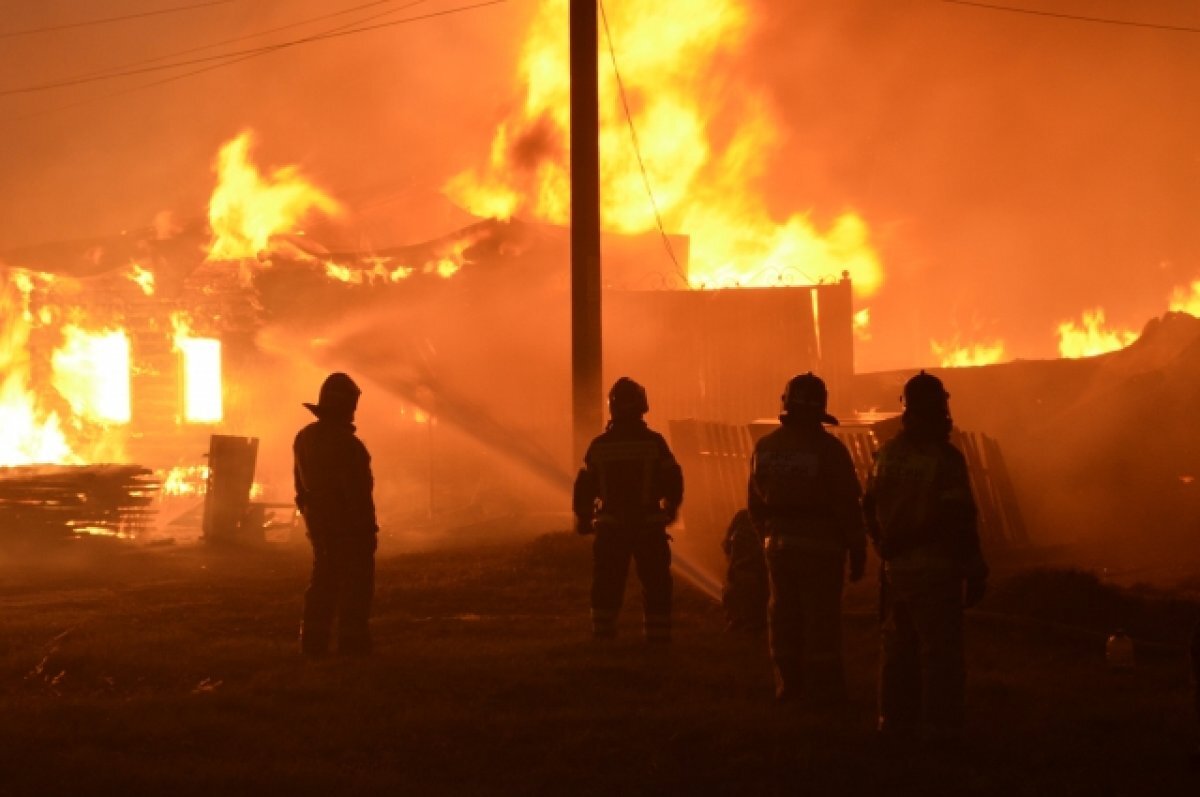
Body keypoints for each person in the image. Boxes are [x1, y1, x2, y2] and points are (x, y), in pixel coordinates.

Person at [863, 370, 988, 739]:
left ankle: (894, 723)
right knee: (941, 653)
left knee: (898, 649)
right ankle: (941, 727)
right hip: (936, 569)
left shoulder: (885, 456)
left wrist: (882, 544)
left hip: (896, 571)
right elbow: (957, 519)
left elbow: (868, 505)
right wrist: (974, 567)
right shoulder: (945, 459)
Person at [747, 373, 866, 705]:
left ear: (786, 405)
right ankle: (824, 691)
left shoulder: (765, 447)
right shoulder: (829, 451)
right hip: (823, 549)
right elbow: (847, 503)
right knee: (821, 619)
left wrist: (767, 538)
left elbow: (755, 504)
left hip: (778, 547)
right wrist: (857, 548)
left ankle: (789, 687)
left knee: (783, 616)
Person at [573, 377, 683, 642]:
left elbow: (585, 485)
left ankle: (603, 635)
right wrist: (671, 508)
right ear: (642, 405)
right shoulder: (655, 443)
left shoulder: (599, 445)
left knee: (607, 582)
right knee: (656, 583)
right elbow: (673, 480)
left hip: (611, 526)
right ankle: (658, 639)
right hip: (648, 525)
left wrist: (584, 518)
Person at [294, 372, 379, 657]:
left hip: (319, 525)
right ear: (345, 406)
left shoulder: (305, 438)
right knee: (356, 584)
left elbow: (300, 487)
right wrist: (367, 530)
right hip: (349, 528)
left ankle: (313, 644)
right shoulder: (348, 446)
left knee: (323, 581)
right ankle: (352, 645)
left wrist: (310, 516)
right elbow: (357, 493)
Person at [721, 508, 768, 635]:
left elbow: (726, 544)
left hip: (754, 570)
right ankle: (742, 619)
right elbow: (727, 543)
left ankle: (750, 620)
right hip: (746, 569)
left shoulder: (743, 517)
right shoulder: (746, 516)